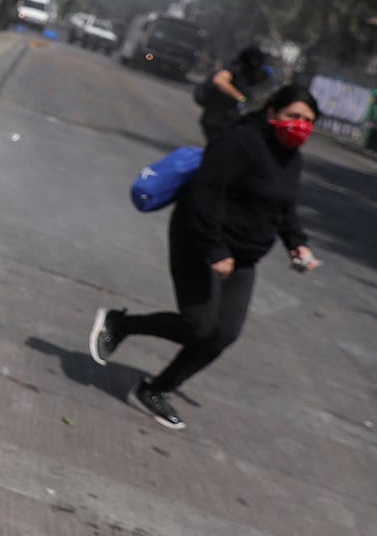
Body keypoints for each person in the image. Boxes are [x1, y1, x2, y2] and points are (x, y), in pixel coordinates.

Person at [89, 84, 322, 430]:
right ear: (272, 112)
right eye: (294, 116)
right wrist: (215, 250)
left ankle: (154, 390)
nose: (300, 125)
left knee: (223, 333)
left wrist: (297, 244)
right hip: (198, 238)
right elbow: (204, 196)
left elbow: (283, 207)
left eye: (308, 121)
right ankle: (120, 324)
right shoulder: (238, 142)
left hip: (243, 256)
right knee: (198, 326)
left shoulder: (291, 157)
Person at [195, 43, 271, 143]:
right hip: (216, 119)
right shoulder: (235, 70)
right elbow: (219, 81)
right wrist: (240, 97)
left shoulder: (246, 76)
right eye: (257, 62)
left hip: (227, 119)